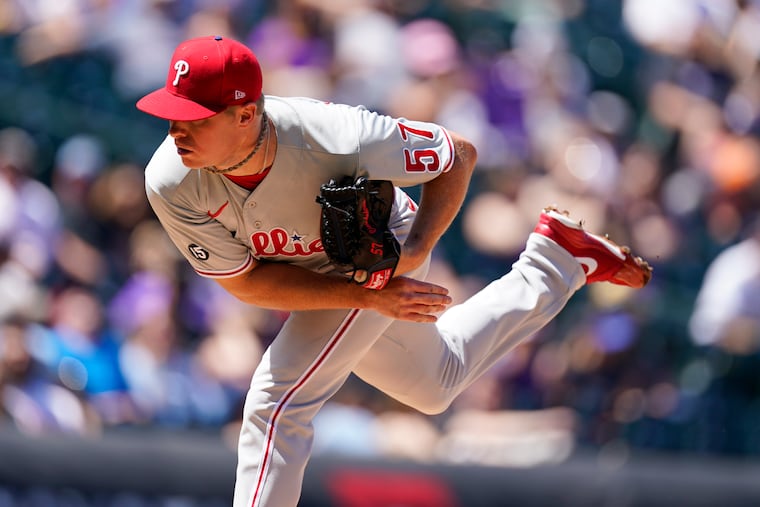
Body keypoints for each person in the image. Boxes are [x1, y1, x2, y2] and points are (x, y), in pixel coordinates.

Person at [136, 35, 652, 507]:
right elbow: (246, 282)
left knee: (276, 402)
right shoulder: (170, 180)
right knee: (435, 383)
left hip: (379, 253)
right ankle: (556, 260)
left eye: (196, 117)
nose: (177, 130)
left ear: (245, 115)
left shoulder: (335, 136)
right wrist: (364, 301)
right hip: (336, 282)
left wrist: (416, 249)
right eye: (172, 114)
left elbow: (458, 155)